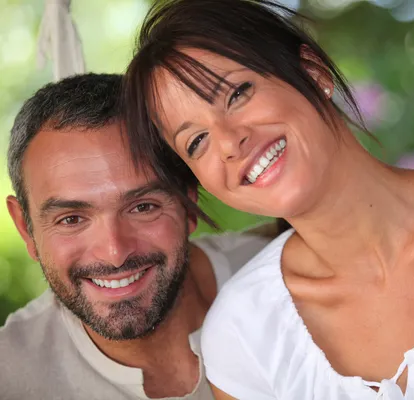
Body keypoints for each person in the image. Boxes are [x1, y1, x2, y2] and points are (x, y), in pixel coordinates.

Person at [121, 1, 414, 399]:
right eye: (196, 142)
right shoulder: (242, 335)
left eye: (237, 93)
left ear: (312, 72)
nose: (229, 141)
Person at [0, 73, 273, 400]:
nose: (115, 253)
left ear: (188, 202)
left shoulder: (279, 284)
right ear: (25, 227)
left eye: (143, 207)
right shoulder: (10, 376)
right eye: (71, 219)